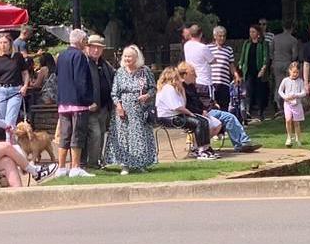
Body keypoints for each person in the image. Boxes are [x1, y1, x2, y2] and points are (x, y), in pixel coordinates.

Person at [177, 62, 261, 154]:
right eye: (193, 73)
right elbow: (186, 106)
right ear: (185, 74)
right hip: (196, 114)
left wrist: (209, 106)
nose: (196, 76)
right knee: (228, 117)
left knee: (229, 117)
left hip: (205, 111)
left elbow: (198, 102)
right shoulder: (181, 88)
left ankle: (242, 143)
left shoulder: (191, 86)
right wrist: (202, 111)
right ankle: (241, 143)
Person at [54, 29, 97, 178]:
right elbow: (81, 80)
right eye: (85, 40)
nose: (86, 43)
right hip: (78, 102)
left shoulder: (62, 55)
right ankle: (75, 166)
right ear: (80, 41)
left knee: (65, 134)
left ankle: (61, 167)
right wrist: (88, 100)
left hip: (63, 101)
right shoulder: (79, 55)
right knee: (77, 134)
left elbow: (58, 77)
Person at [109, 45, 156, 174]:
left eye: (130, 56)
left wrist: (147, 95)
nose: (127, 58)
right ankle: (125, 165)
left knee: (140, 136)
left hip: (140, 110)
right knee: (124, 136)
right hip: (123, 110)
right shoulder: (119, 72)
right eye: (125, 56)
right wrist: (119, 106)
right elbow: (114, 92)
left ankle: (140, 164)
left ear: (136, 58)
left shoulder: (144, 71)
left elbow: (153, 88)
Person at [155, 67, 215, 159]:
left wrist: (182, 90)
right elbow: (177, 107)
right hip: (169, 119)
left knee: (203, 121)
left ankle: (203, 148)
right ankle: (201, 150)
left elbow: (183, 103)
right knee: (198, 122)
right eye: (178, 77)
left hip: (176, 116)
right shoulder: (168, 89)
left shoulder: (175, 89)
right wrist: (190, 113)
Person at [0, 34, 30, 129]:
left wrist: (25, 86)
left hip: (15, 90)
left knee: (10, 120)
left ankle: (8, 142)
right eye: (0, 43)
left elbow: (25, 73)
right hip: (0, 90)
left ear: (10, 44)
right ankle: (9, 140)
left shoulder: (17, 57)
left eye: (5, 43)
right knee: (2, 119)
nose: (3, 45)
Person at [84, 35, 117, 169]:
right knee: (96, 134)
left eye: (99, 48)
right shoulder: (84, 63)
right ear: (87, 48)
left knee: (101, 134)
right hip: (91, 107)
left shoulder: (104, 64)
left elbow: (113, 77)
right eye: (93, 47)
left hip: (104, 107)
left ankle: (97, 160)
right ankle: (92, 163)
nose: (96, 51)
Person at [239, 24, 272, 122]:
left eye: (253, 32)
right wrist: (241, 65)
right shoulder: (247, 43)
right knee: (249, 91)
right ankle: (248, 111)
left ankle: (260, 112)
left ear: (258, 33)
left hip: (259, 71)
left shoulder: (263, 43)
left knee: (260, 92)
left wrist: (263, 69)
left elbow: (266, 57)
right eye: (250, 32)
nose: (251, 34)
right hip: (249, 71)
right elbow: (243, 56)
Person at [208, 25, 238, 113]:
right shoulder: (208, 48)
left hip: (224, 83)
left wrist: (236, 75)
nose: (222, 38)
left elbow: (231, 65)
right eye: (220, 36)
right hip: (212, 82)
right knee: (212, 106)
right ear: (215, 36)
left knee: (224, 106)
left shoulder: (229, 50)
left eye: (224, 36)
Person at [182, 25, 212, 103]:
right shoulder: (203, 47)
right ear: (201, 34)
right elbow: (212, 60)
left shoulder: (186, 46)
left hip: (192, 81)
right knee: (208, 104)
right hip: (204, 81)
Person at [279, 61, 307, 146]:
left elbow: (304, 92)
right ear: (289, 71)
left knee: (296, 122)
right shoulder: (285, 80)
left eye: (297, 72)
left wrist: (296, 95)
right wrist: (285, 97)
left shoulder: (300, 81)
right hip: (287, 104)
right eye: (293, 72)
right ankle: (289, 137)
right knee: (288, 120)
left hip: (297, 104)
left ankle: (298, 138)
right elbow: (280, 90)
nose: (295, 74)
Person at [270, 22, 299, 90]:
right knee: (288, 84)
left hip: (277, 63)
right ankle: (287, 99)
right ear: (292, 28)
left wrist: (274, 60)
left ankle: (277, 99)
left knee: (278, 84)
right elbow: (295, 55)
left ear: (283, 28)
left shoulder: (275, 38)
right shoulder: (293, 40)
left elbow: (271, 52)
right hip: (288, 64)